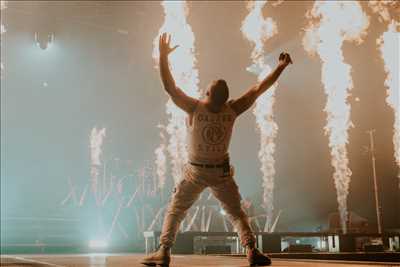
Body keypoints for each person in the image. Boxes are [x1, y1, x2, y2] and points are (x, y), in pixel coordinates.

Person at [142, 33, 292, 267]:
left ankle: (164, 251)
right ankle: (252, 251)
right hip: (221, 172)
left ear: (208, 94)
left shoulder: (194, 107)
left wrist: (162, 57)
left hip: (195, 171)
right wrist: (280, 67)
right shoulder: (232, 109)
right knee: (236, 212)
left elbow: (169, 87)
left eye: (206, 89)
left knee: (176, 209)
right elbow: (258, 89)